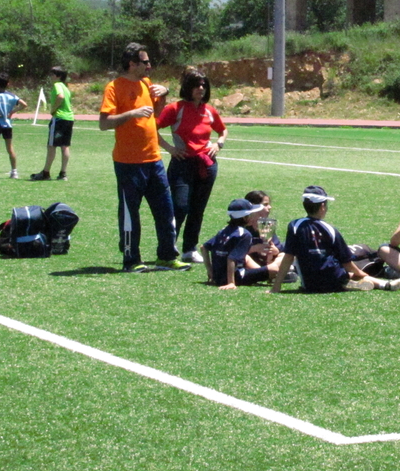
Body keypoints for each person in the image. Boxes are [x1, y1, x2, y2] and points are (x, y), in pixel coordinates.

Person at [99, 42, 189, 273]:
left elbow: (155, 116)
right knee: (131, 214)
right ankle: (131, 260)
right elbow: (104, 123)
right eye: (145, 61)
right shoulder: (114, 87)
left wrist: (164, 96)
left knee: (165, 210)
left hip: (153, 160)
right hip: (128, 163)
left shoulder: (147, 84)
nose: (150, 66)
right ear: (132, 64)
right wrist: (132, 113)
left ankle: (167, 256)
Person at [271, 186, 400, 293]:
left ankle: (356, 283)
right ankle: (383, 284)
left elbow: (288, 257)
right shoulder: (329, 229)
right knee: (349, 272)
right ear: (322, 206)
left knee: (340, 273)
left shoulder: (294, 226)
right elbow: (347, 263)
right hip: (334, 279)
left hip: (310, 284)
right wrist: (362, 274)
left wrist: (276, 287)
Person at [157, 68, 228, 263]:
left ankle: (190, 249)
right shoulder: (175, 109)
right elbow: (152, 128)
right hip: (182, 164)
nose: (201, 88)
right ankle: (168, 248)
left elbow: (222, 131)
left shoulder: (209, 110)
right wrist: (170, 149)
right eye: (197, 85)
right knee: (180, 206)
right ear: (187, 87)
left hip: (206, 165)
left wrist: (218, 144)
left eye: (204, 85)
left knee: (198, 208)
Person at [201, 199, 272, 290]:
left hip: (218, 277)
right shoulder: (245, 234)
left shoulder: (224, 230)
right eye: (251, 214)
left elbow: (204, 247)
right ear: (245, 218)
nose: (253, 217)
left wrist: (210, 271)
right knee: (274, 269)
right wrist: (231, 282)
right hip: (236, 275)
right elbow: (231, 258)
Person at [31, 66, 74, 181]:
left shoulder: (57, 85)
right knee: (65, 146)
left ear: (58, 76)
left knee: (52, 145)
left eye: (52, 74)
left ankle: (46, 173)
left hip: (59, 118)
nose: (50, 76)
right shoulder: (66, 87)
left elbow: (60, 97)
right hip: (69, 118)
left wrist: (53, 109)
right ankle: (63, 173)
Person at [244, 189, 290, 280]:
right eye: (265, 204)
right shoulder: (243, 227)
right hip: (250, 263)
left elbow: (279, 250)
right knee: (245, 257)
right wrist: (255, 248)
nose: (270, 207)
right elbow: (235, 252)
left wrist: (275, 250)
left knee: (287, 253)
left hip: (268, 262)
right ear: (254, 208)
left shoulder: (266, 225)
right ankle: (267, 272)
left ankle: (271, 270)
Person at [0, 72, 27, 179]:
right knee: (10, 148)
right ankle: (14, 172)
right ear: (8, 84)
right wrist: (12, 112)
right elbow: (24, 104)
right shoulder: (11, 96)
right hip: (7, 124)